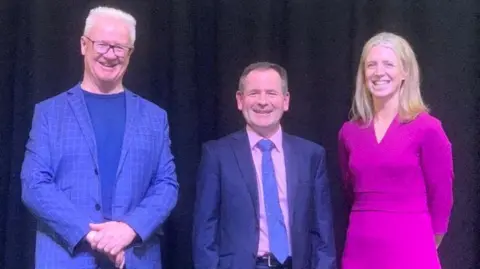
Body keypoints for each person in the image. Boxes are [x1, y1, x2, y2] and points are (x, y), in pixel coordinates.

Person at [20, 6, 178, 269]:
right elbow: (34, 184)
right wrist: (93, 235)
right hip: (66, 259)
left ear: (130, 53)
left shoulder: (154, 117)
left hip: (135, 258)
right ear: (84, 45)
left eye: (119, 48)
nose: (110, 55)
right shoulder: (49, 113)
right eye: (102, 45)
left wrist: (130, 228)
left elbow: (166, 184)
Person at [193, 62, 337, 269]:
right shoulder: (217, 155)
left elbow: (323, 235)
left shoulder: (311, 156)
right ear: (240, 100)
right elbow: (205, 233)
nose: (262, 101)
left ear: (285, 101)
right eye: (253, 93)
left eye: (271, 93)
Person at [338, 32, 454, 269]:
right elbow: (348, 189)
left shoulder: (427, 128)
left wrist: (423, 244)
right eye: (371, 65)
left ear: (405, 73)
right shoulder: (349, 132)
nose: (379, 72)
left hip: (412, 249)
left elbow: (441, 198)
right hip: (359, 249)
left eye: (388, 64)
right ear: (363, 74)